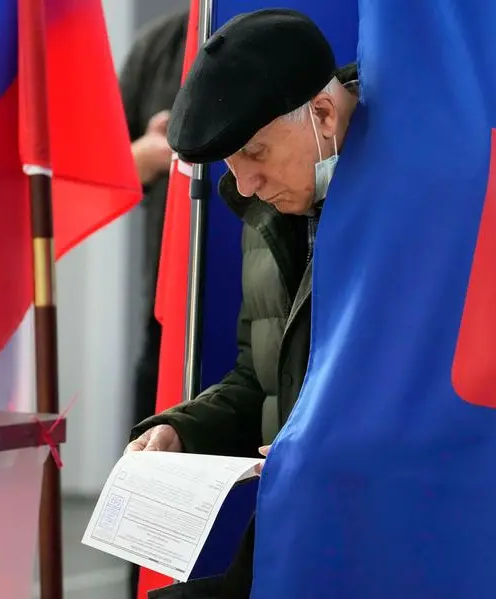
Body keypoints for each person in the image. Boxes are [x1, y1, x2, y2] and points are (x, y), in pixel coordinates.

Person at [125, 9, 359, 599]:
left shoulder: (424, 198)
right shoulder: (267, 208)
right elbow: (259, 378)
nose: (246, 183)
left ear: (324, 114)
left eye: (255, 152)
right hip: (296, 530)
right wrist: (182, 430)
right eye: (231, 165)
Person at [116, 11, 189, 598]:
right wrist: (141, 156)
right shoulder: (157, 48)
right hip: (166, 311)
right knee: (150, 468)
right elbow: (91, 168)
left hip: (283, 301)